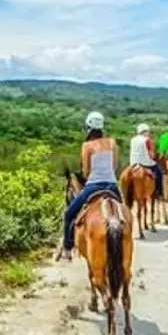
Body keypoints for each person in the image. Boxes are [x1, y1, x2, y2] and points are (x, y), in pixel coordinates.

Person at [58, 111, 119, 261]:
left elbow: (86, 171)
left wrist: (87, 176)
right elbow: (115, 166)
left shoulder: (86, 146)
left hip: (93, 186)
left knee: (69, 214)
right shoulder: (112, 143)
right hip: (112, 185)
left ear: (88, 127)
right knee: (123, 213)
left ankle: (67, 247)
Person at [129, 123, 164, 198]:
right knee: (160, 173)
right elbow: (151, 155)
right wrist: (155, 157)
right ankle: (159, 192)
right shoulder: (148, 140)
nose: (149, 133)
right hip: (146, 164)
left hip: (133, 164)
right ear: (146, 131)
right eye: (148, 132)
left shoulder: (133, 139)